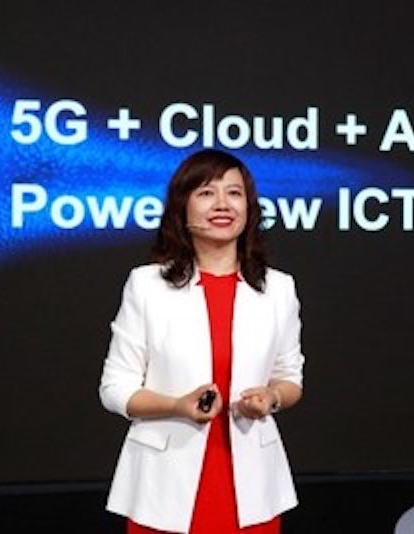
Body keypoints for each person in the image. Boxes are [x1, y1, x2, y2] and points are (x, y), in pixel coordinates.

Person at [99, 149, 305, 533]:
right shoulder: (146, 286)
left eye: (234, 193)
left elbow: (290, 378)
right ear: (183, 209)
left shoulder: (279, 289)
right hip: (164, 486)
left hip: (252, 487)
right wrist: (177, 405)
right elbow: (115, 389)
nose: (223, 204)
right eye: (207, 193)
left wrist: (271, 397)